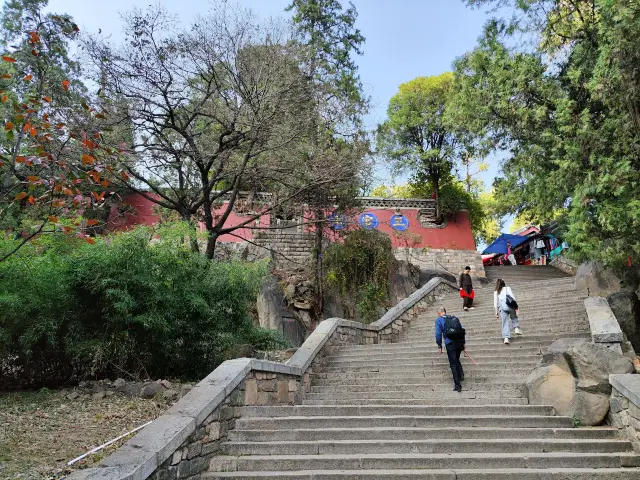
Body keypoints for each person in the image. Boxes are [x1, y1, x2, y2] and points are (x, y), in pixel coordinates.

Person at [435, 307, 466, 392]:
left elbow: (438, 334)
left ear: (439, 313)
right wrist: (463, 343)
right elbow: (462, 328)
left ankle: (457, 385)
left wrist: (439, 345)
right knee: (456, 358)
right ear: (445, 312)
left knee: (453, 364)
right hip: (459, 342)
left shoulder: (438, 320)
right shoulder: (453, 318)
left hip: (450, 343)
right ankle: (461, 374)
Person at [493, 278, 522, 344]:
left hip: (502, 308)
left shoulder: (496, 292)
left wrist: (496, 312)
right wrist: (516, 307)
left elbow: (495, 303)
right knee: (514, 317)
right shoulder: (507, 288)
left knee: (505, 322)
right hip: (510, 306)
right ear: (503, 283)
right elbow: (512, 297)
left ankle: (506, 338)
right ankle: (516, 328)